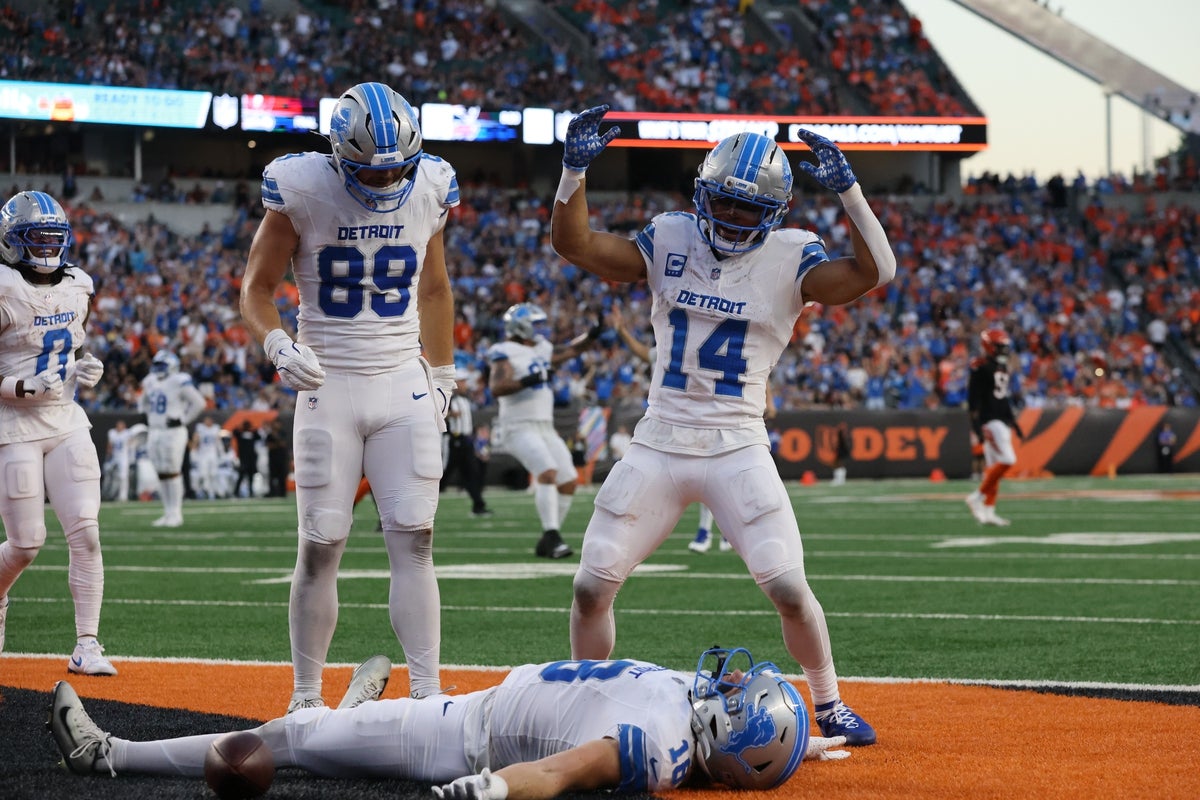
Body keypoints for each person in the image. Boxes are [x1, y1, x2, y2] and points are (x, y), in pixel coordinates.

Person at [551, 106, 898, 746]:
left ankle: (829, 700)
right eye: (725, 204)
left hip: (737, 444)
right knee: (591, 583)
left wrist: (850, 192)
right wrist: (573, 172)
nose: (735, 218)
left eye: (749, 209)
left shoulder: (792, 259)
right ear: (702, 195)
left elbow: (878, 272)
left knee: (790, 588)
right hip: (658, 441)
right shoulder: (672, 237)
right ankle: (581, 704)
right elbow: (575, 244)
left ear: (776, 211)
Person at [239, 81, 458, 711]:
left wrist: (442, 374)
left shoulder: (432, 187)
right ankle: (305, 696)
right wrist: (277, 344)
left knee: (415, 538)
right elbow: (257, 287)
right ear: (337, 155)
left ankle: (426, 695)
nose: (387, 181)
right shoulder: (302, 190)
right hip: (327, 380)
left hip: (402, 381)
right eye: (371, 168)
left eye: (398, 169)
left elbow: (435, 288)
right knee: (321, 542)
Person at [48, 645, 851, 795]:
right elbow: (765, 750)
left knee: (291, 741)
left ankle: (110, 756)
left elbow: (562, 772)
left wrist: (489, 791)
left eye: (741, 698)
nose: (733, 682)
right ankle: (353, 712)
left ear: (721, 738)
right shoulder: (698, 721)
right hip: (479, 707)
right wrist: (813, 742)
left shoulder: (662, 748)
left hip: (469, 738)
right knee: (321, 732)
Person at [0, 189, 117, 675]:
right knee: (26, 544)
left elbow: (70, 349)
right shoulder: (4, 287)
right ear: (12, 242)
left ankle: (87, 644)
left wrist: (89, 369)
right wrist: (20, 385)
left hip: (66, 418)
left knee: (87, 534)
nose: (47, 248)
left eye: (54, 238)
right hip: (15, 425)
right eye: (36, 238)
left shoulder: (78, 286)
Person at [607, 305, 734, 555]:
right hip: (677, 420)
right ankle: (715, 531)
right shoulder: (679, 344)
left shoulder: (695, 342)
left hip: (703, 419)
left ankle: (709, 531)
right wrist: (622, 332)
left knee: (710, 478)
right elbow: (647, 354)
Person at [487, 303, 601, 559]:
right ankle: (552, 536)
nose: (540, 329)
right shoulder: (503, 350)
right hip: (518, 425)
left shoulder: (541, 347)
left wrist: (592, 335)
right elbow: (497, 386)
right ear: (521, 325)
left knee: (569, 480)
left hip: (545, 426)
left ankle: (549, 538)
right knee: (547, 471)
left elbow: (572, 349)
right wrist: (529, 380)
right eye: (535, 323)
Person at [138, 350, 206, 527]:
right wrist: (148, 416)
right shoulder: (149, 381)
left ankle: (176, 513)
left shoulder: (179, 380)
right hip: (155, 430)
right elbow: (142, 403)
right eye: (157, 365)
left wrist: (183, 419)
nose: (159, 369)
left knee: (172, 471)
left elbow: (199, 403)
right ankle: (167, 513)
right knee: (161, 472)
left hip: (173, 431)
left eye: (163, 365)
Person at [965, 328, 1022, 527]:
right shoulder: (980, 366)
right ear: (990, 346)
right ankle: (977, 496)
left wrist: (1013, 421)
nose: (1004, 351)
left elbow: (1002, 397)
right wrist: (976, 425)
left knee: (993, 470)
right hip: (990, 421)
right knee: (1008, 460)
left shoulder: (1000, 367)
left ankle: (989, 512)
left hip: (1001, 420)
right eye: (1000, 347)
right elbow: (973, 400)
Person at [442, 369, 491, 516]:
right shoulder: (447, 397)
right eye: (462, 381)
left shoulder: (465, 398)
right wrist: (450, 414)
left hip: (466, 440)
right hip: (453, 440)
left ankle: (478, 505)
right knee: (443, 475)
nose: (465, 384)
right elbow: (435, 413)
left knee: (472, 473)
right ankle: (421, 506)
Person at [191, 415, 225, 499]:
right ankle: (205, 490)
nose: (207, 422)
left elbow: (218, 442)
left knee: (213, 474)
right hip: (203, 454)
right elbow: (196, 439)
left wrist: (221, 452)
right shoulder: (200, 428)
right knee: (203, 474)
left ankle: (215, 491)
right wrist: (193, 451)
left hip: (212, 454)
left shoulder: (215, 428)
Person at [233, 420, 261, 498]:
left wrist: (252, 429)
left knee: (250, 476)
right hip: (243, 459)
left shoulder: (252, 434)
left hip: (251, 458)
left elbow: (259, 436)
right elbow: (234, 432)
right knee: (241, 476)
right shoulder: (240, 434)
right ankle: (236, 491)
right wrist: (240, 427)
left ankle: (251, 491)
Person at [830, 421, 850, 486]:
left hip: (842, 450)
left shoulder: (841, 434)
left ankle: (840, 479)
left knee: (838, 464)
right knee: (837, 464)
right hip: (841, 450)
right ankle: (839, 479)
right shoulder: (840, 434)